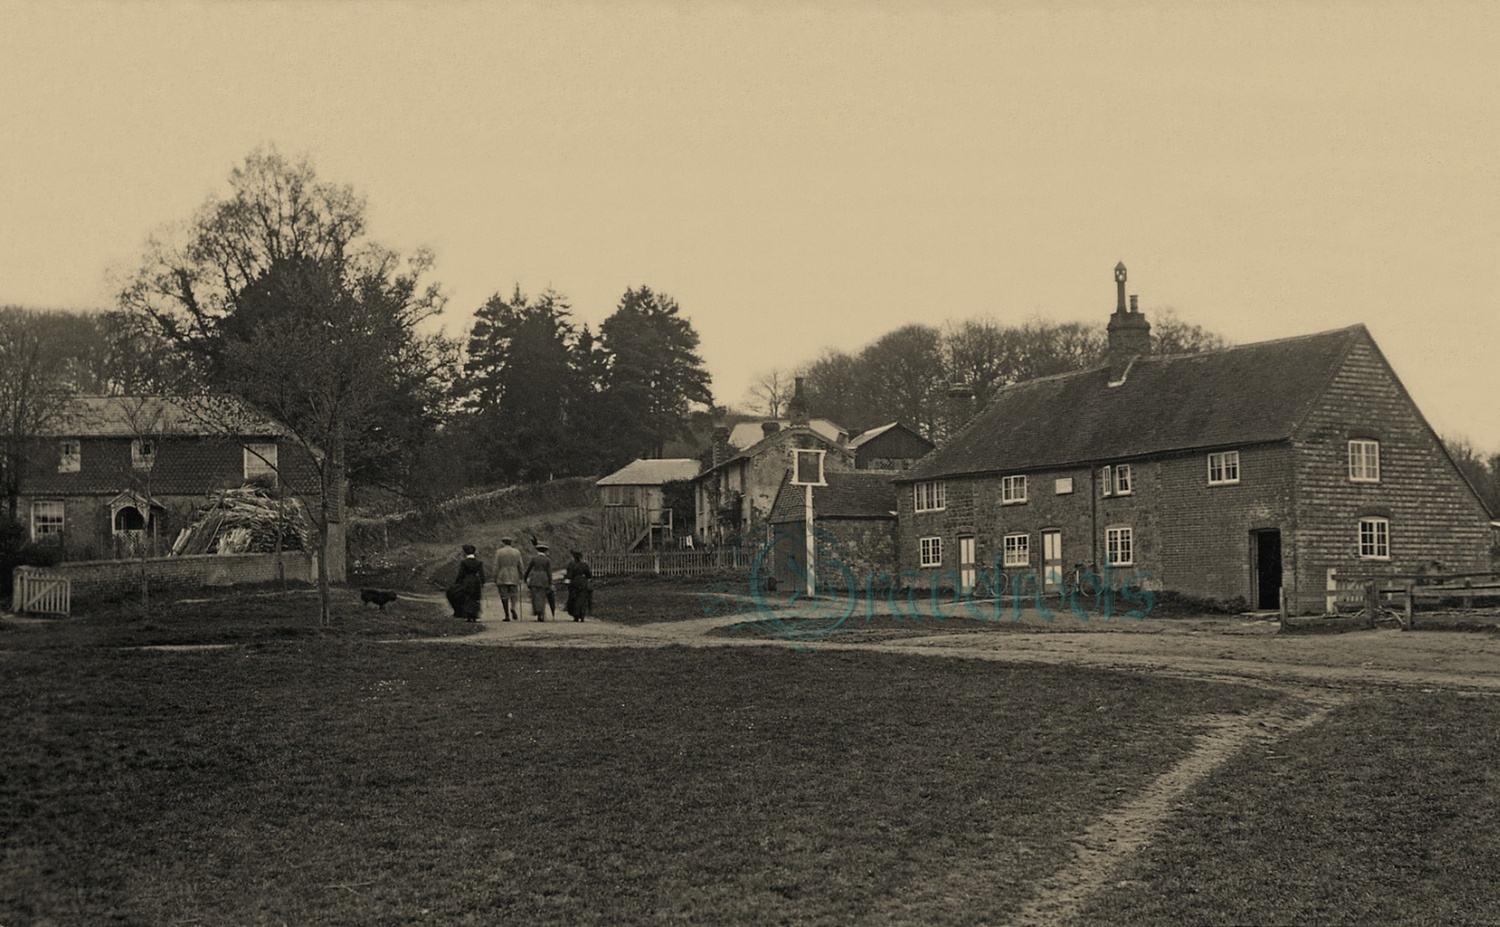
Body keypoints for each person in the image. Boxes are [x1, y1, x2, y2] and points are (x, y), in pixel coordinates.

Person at [446, 544, 486, 622]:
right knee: (475, 598)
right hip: (475, 581)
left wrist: (457, 583)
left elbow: (461, 574)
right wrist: (482, 582)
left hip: (466, 581)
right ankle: (474, 615)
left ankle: (468, 616)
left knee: (467, 598)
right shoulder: (479, 562)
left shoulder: (464, 562)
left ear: (465, 553)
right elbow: (482, 574)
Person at [492, 536, 524, 622]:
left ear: (503, 543)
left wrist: (494, 577)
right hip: (514, 575)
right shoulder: (517, 552)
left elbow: (496, 565)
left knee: (504, 595)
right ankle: (513, 607)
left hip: (502, 575)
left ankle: (507, 615)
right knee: (514, 594)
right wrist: (521, 575)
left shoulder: (499, 552)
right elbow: (520, 565)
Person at [523, 542, 553, 621]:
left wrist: (525, 578)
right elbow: (549, 572)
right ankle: (541, 613)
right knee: (542, 597)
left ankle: (537, 611)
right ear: (545, 551)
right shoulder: (547, 560)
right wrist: (551, 582)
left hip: (535, 578)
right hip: (544, 578)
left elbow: (529, 569)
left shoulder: (534, 558)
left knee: (535, 596)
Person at [563, 550, 593, 622]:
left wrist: (567, 581)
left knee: (574, 598)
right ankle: (582, 615)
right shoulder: (584, 565)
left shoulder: (571, 565)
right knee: (582, 599)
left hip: (574, 583)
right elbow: (589, 575)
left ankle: (576, 615)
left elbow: (569, 575)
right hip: (583, 583)